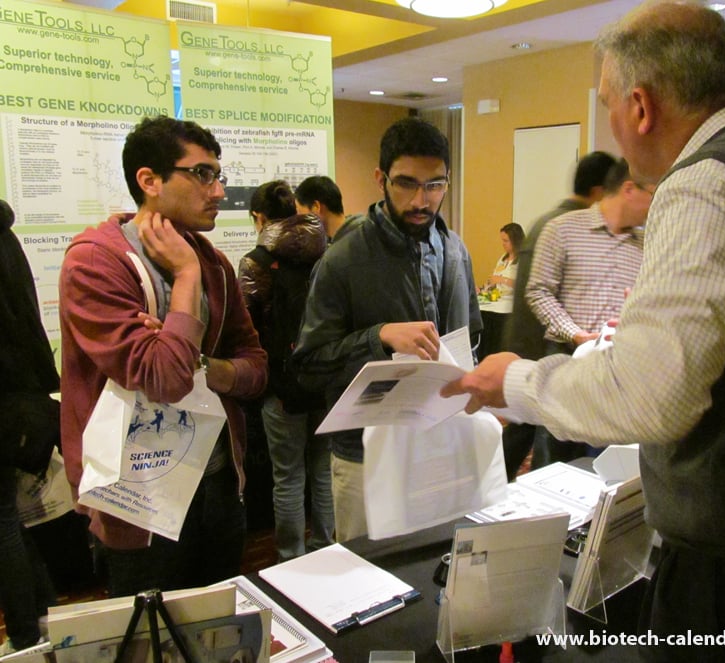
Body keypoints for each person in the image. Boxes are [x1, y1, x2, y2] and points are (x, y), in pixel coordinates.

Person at [442, 2, 725, 659]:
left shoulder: (706, 188)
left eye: (608, 104)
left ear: (639, 107)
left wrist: (519, 381)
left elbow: (651, 395)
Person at [59, 116, 267, 597]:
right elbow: (164, 379)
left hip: (216, 485)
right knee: (151, 638)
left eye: (219, 176)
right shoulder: (95, 260)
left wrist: (203, 367)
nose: (217, 192)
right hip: (138, 498)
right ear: (149, 181)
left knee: (220, 630)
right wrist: (186, 277)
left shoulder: (212, 261)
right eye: (201, 175)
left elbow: (255, 365)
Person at [292, 117, 482, 542]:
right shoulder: (342, 259)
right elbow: (306, 367)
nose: (422, 199)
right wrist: (378, 337)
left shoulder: (455, 250)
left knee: (436, 568)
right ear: (381, 178)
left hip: (440, 445)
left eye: (435, 185)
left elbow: (470, 340)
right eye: (406, 184)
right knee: (366, 584)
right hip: (366, 458)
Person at [525, 157, 649, 467]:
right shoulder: (562, 229)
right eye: (653, 194)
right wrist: (576, 334)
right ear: (629, 189)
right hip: (565, 360)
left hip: (618, 370)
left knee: (607, 462)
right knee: (554, 459)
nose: (655, 205)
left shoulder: (648, 242)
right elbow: (538, 290)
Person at [500, 151, 616, 480]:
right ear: (599, 191)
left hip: (528, 344)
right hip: (543, 349)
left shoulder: (547, 222)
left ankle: (495, 493)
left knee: (525, 434)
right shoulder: (568, 228)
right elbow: (545, 297)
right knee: (544, 441)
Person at [238, 180, 334, 562]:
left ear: (259, 217)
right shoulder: (326, 254)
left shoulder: (255, 263)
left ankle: (291, 558)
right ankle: (327, 547)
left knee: (288, 477)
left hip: (281, 386)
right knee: (323, 469)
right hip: (326, 380)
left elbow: (246, 328)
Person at [0, 200, 57, 654]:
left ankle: (25, 638)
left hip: (5, 395)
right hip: (21, 394)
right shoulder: (6, 236)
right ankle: (43, 617)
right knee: (9, 521)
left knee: (2, 524)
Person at [293, 175, 363, 243]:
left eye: (299, 210)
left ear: (316, 207)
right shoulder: (333, 242)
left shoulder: (361, 239)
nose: (298, 218)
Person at [483, 222, 524, 299]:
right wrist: (489, 285)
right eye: (502, 240)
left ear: (515, 241)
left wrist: (503, 280)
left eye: (506, 241)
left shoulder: (523, 259)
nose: (503, 244)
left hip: (513, 302)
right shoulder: (503, 258)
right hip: (499, 299)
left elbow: (523, 286)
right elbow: (496, 279)